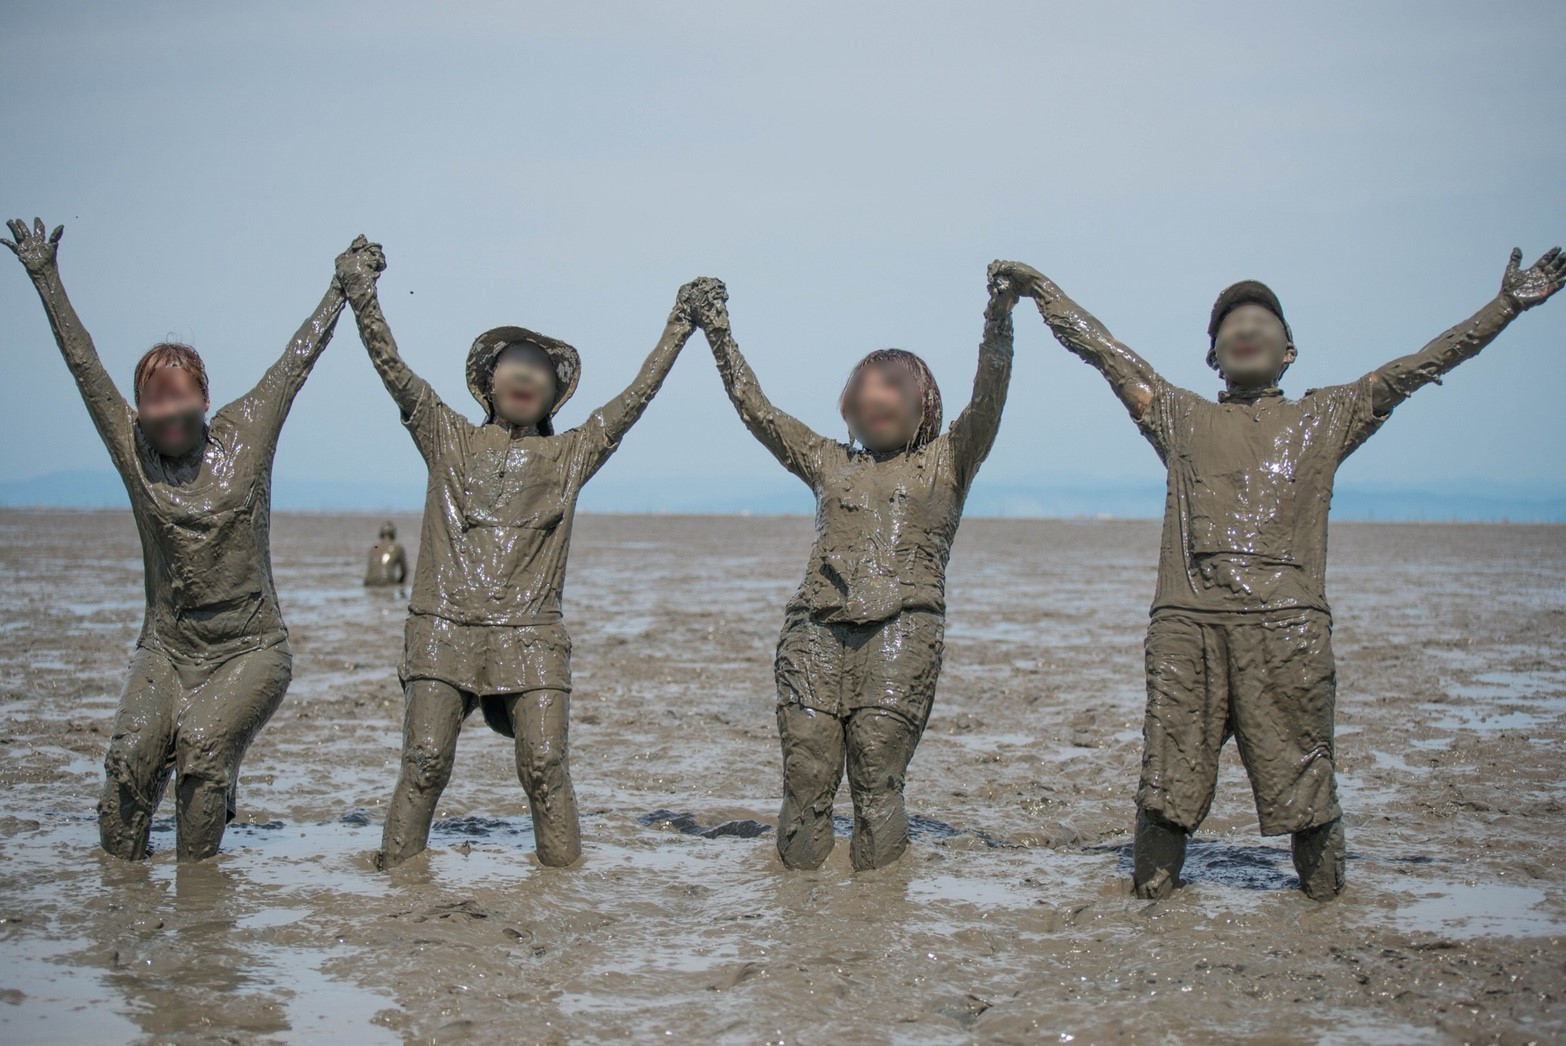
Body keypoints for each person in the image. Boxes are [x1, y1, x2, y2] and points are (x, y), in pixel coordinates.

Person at [1014, 246, 1566, 900]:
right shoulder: (1180, 415)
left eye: (1262, 322)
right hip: (1189, 633)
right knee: (1165, 789)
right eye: (1230, 325)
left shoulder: (1325, 418)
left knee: (1308, 789)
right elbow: (1106, 352)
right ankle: (1150, 911)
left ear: (1289, 352)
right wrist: (1041, 289)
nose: (1246, 330)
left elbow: (1422, 365)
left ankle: (1325, 908)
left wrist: (1502, 307)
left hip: (1288, 634)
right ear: (1213, 356)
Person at [2, 217, 367, 861]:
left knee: (200, 746)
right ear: (141, 409)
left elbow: (294, 362)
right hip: (168, 648)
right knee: (130, 761)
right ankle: (121, 897)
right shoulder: (132, 448)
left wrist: (341, 287)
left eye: (179, 397)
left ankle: (201, 906)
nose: (168, 412)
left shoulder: (246, 434)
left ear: (203, 396)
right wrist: (44, 277)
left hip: (251, 649)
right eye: (153, 400)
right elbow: (85, 367)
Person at [337, 238, 708, 869]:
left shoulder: (569, 456)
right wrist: (362, 296)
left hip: (532, 634)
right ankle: (397, 885)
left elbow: (631, 403)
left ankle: (562, 889)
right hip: (443, 626)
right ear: (487, 380)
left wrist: (679, 327)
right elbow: (393, 370)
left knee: (544, 763)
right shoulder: (444, 435)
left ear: (555, 394)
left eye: (541, 370)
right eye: (514, 364)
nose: (526, 376)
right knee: (425, 761)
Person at [688, 263, 1021, 871]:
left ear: (925, 405)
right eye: (864, 396)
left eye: (893, 390)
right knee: (806, 773)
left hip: (903, 631)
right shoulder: (827, 460)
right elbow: (759, 413)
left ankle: (877, 907)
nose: (877, 403)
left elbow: (991, 394)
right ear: (847, 410)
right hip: (814, 631)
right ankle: (798, 905)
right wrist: (719, 337)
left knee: (876, 771)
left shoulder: (950, 459)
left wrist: (998, 319)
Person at [364, 520, 408, 587]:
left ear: (381, 533)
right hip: (387, 581)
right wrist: (400, 583)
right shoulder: (398, 548)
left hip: (370, 581)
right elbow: (404, 572)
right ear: (393, 534)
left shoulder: (374, 547)